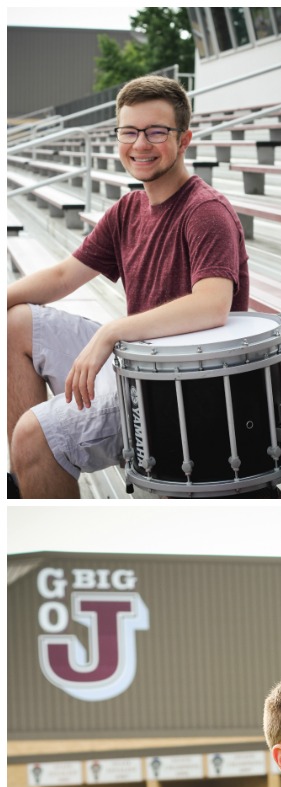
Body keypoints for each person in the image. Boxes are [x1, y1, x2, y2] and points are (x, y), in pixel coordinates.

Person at [7, 74, 250, 498]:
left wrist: (111, 331)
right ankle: (31, 473)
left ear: (184, 139)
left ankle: (41, 475)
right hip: (131, 361)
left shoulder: (205, 210)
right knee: (15, 323)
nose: (140, 144)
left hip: (177, 388)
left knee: (34, 435)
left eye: (157, 132)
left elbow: (212, 305)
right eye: (130, 131)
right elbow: (65, 276)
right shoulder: (129, 209)